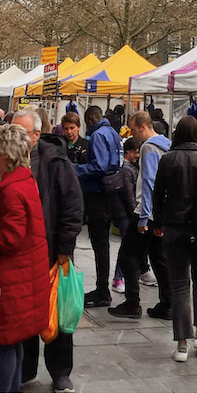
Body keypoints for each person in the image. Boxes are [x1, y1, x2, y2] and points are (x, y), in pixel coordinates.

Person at [0, 123, 50, 393]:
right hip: (18, 277)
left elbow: (9, 238)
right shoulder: (22, 181)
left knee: (5, 343)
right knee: (13, 341)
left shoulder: (12, 190)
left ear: (5, 154)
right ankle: (13, 388)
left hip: (9, 279)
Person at [11, 110, 83, 393]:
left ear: (36, 135)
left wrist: (65, 248)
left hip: (53, 251)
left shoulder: (55, 160)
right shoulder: (8, 159)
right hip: (20, 253)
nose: (13, 138)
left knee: (58, 311)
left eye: (20, 133)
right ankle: (26, 368)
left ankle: (61, 372)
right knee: (24, 314)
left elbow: (73, 205)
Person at [152, 116, 197, 362]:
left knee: (179, 283)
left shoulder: (167, 159)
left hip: (174, 226)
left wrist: (157, 223)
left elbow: (157, 193)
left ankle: (182, 344)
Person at [108, 111, 171, 320]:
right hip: (161, 211)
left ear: (143, 127)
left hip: (146, 211)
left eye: (134, 130)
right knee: (159, 258)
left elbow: (149, 181)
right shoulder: (166, 145)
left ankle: (132, 302)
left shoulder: (149, 147)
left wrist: (144, 216)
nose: (133, 135)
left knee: (128, 256)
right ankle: (167, 303)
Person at [74, 106, 122, 308]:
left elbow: (100, 166)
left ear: (91, 119)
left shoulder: (98, 135)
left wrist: (77, 168)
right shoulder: (113, 133)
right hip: (109, 192)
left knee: (100, 243)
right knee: (102, 244)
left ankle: (102, 290)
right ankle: (102, 287)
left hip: (97, 194)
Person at [109, 137, 139, 294]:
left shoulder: (128, 167)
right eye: (136, 152)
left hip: (124, 213)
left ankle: (122, 276)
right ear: (128, 152)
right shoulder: (127, 169)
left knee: (128, 245)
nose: (138, 155)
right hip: (124, 214)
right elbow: (129, 194)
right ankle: (118, 277)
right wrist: (135, 213)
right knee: (127, 246)